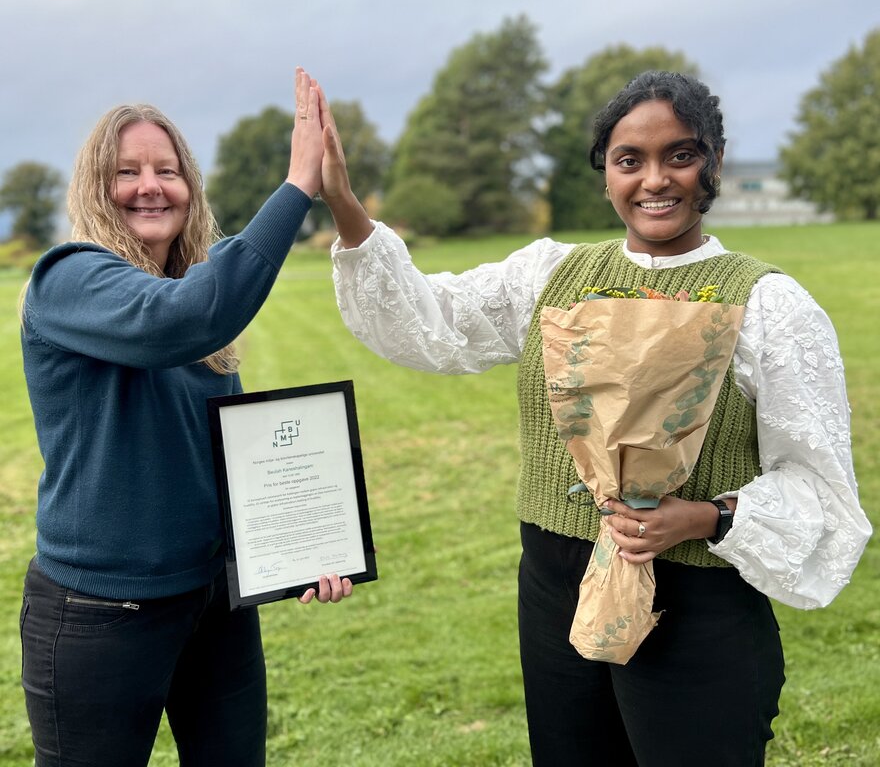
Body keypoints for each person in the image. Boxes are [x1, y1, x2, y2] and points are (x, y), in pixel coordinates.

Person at [317, 71, 871, 766]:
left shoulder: (770, 305)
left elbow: (820, 485)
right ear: (605, 173)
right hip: (555, 593)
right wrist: (341, 198)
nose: (654, 180)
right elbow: (431, 324)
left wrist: (705, 517)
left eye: (680, 154)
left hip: (693, 603)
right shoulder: (549, 274)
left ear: (715, 163)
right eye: (628, 160)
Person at [19, 68, 353, 767]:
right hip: (101, 613)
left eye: (167, 170)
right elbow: (183, 319)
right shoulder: (68, 279)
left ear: (189, 187)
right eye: (127, 171)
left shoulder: (198, 304)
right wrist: (298, 183)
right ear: (93, 188)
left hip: (214, 605)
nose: (150, 186)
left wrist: (301, 550)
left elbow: (227, 463)